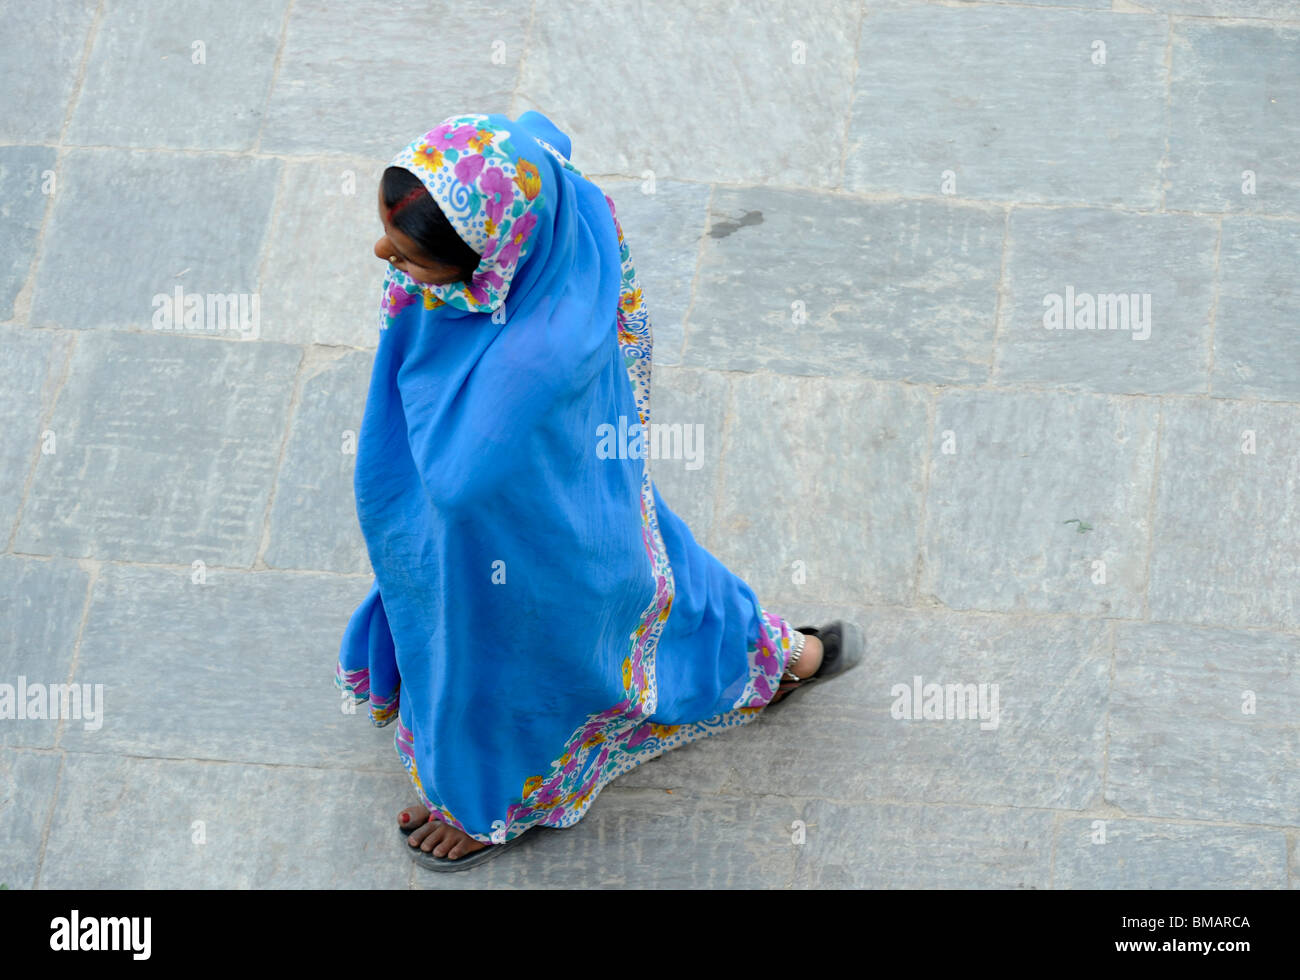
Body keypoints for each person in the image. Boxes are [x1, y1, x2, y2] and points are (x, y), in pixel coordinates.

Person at [336, 110, 863, 872]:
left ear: (490, 265)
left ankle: (487, 801)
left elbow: (453, 488)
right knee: (645, 588)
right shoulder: (552, 204)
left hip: (528, 539)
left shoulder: (529, 368)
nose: (384, 254)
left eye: (411, 256)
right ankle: (790, 657)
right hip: (572, 494)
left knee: (508, 646)